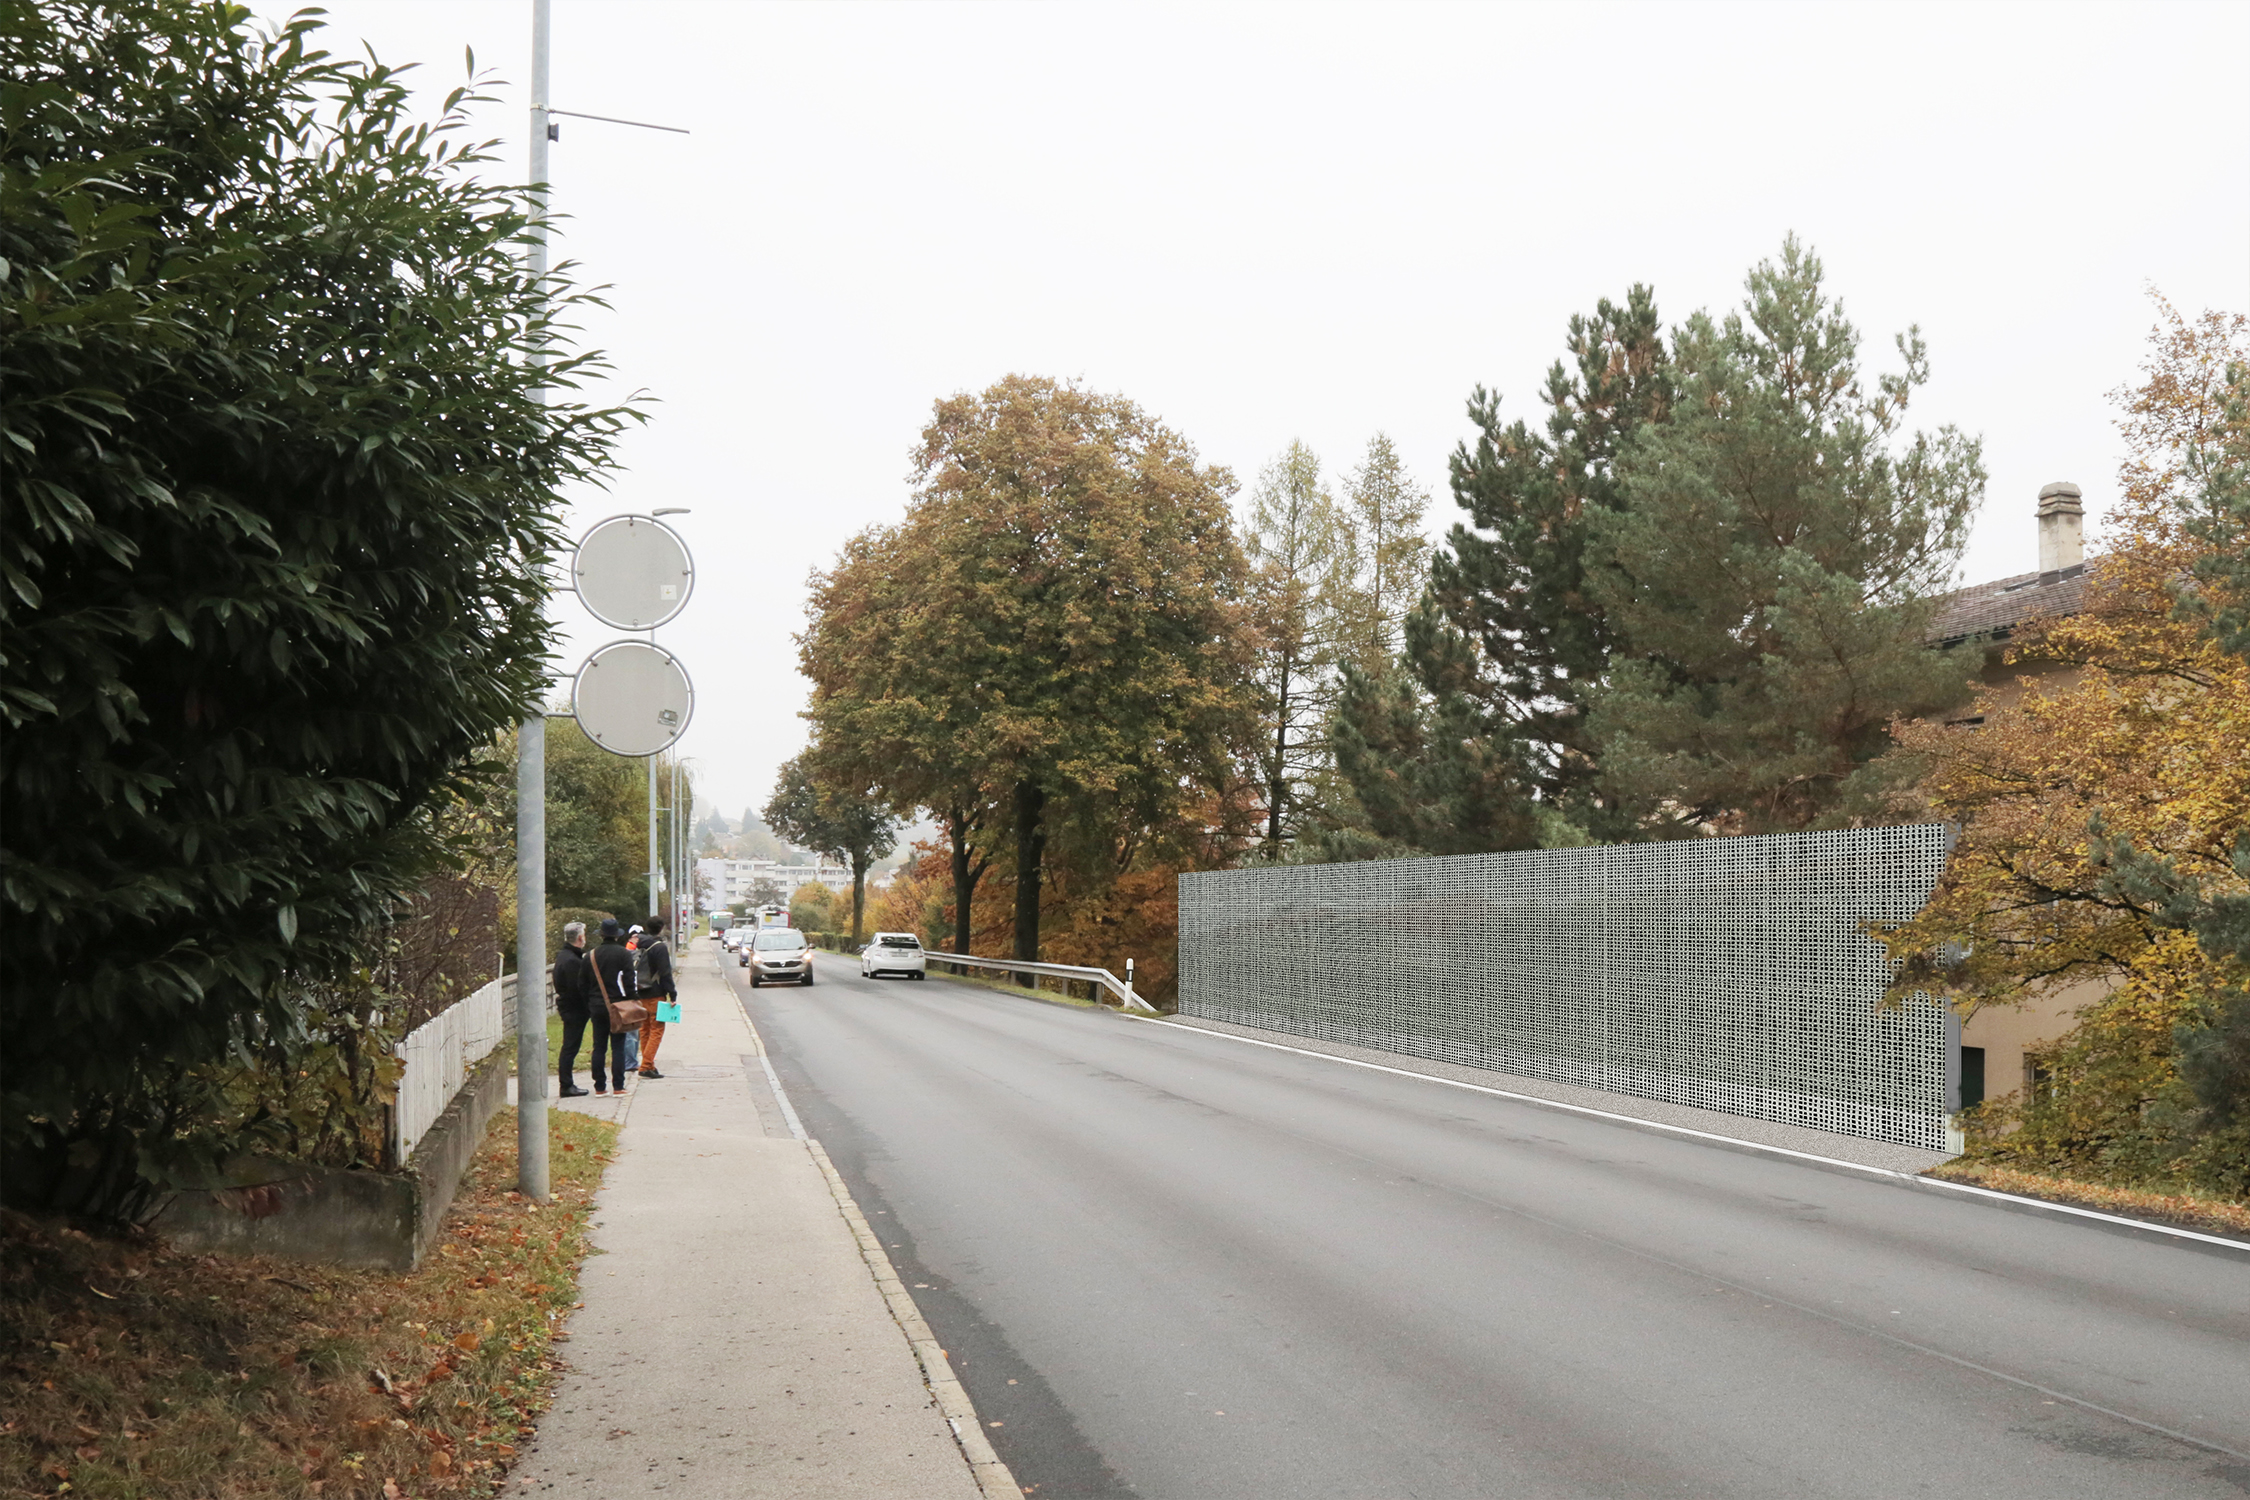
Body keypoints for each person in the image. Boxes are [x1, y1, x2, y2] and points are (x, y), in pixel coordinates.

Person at [587, 918, 636, 1097]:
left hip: (597, 1006)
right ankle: (618, 1086)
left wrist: (590, 1001)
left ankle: (600, 1087)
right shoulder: (623, 954)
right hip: (618, 1006)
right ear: (617, 936)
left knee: (599, 1046)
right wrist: (632, 999)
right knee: (618, 1046)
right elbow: (629, 980)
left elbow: (582, 983)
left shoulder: (591, 956)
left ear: (601, 934)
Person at [552, 921, 596, 1098]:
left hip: (570, 1008)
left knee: (570, 1046)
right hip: (574, 1010)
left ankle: (567, 1084)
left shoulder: (565, 956)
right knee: (570, 1046)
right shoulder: (572, 961)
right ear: (580, 938)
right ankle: (566, 1085)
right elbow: (577, 988)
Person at [636, 916, 677, 1079]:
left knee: (644, 1030)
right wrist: (672, 994)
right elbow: (665, 972)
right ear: (661, 928)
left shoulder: (640, 945)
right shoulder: (659, 947)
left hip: (640, 993)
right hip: (655, 993)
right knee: (657, 1030)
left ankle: (648, 1065)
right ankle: (646, 1066)